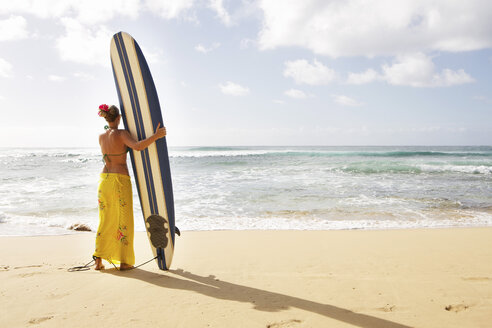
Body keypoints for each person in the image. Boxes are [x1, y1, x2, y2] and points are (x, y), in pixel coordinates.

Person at [93, 104, 166, 270]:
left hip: (104, 180)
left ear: (105, 117)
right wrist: (156, 135)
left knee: (105, 220)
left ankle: (98, 259)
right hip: (120, 181)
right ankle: (124, 262)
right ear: (118, 118)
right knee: (124, 220)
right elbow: (138, 146)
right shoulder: (122, 134)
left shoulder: (101, 136)